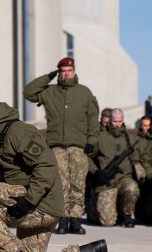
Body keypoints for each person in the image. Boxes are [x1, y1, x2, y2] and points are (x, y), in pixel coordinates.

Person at [0, 90, 108, 252]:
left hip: (39, 205)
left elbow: (47, 166)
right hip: (34, 204)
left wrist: (28, 201)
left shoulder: (18, 132)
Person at [23, 57, 99, 235]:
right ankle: (63, 219)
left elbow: (93, 119)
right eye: (63, 71)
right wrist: (49, 76)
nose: (66, 74)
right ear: (59, 73)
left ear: (74, 71)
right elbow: (28, 92)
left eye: (69, 70)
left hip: (78, 146)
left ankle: (76, 220)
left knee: (78, 183)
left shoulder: (84, 92)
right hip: (56, 145)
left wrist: (91, 142)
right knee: (61, 184)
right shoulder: (50, 92)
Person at [91, 108, 140, 227]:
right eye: (114, 121)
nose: (117, 124)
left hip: (124, 178)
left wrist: (140, 171)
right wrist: (96, 171)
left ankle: (126, 215)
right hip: (106, 182)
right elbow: (87, 157)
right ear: (109, 120)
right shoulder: (99, 137)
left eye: (120, 121)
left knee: (132, 188)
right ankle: (93, 211)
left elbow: (136, 159)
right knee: (107, 222)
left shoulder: (130, 139)